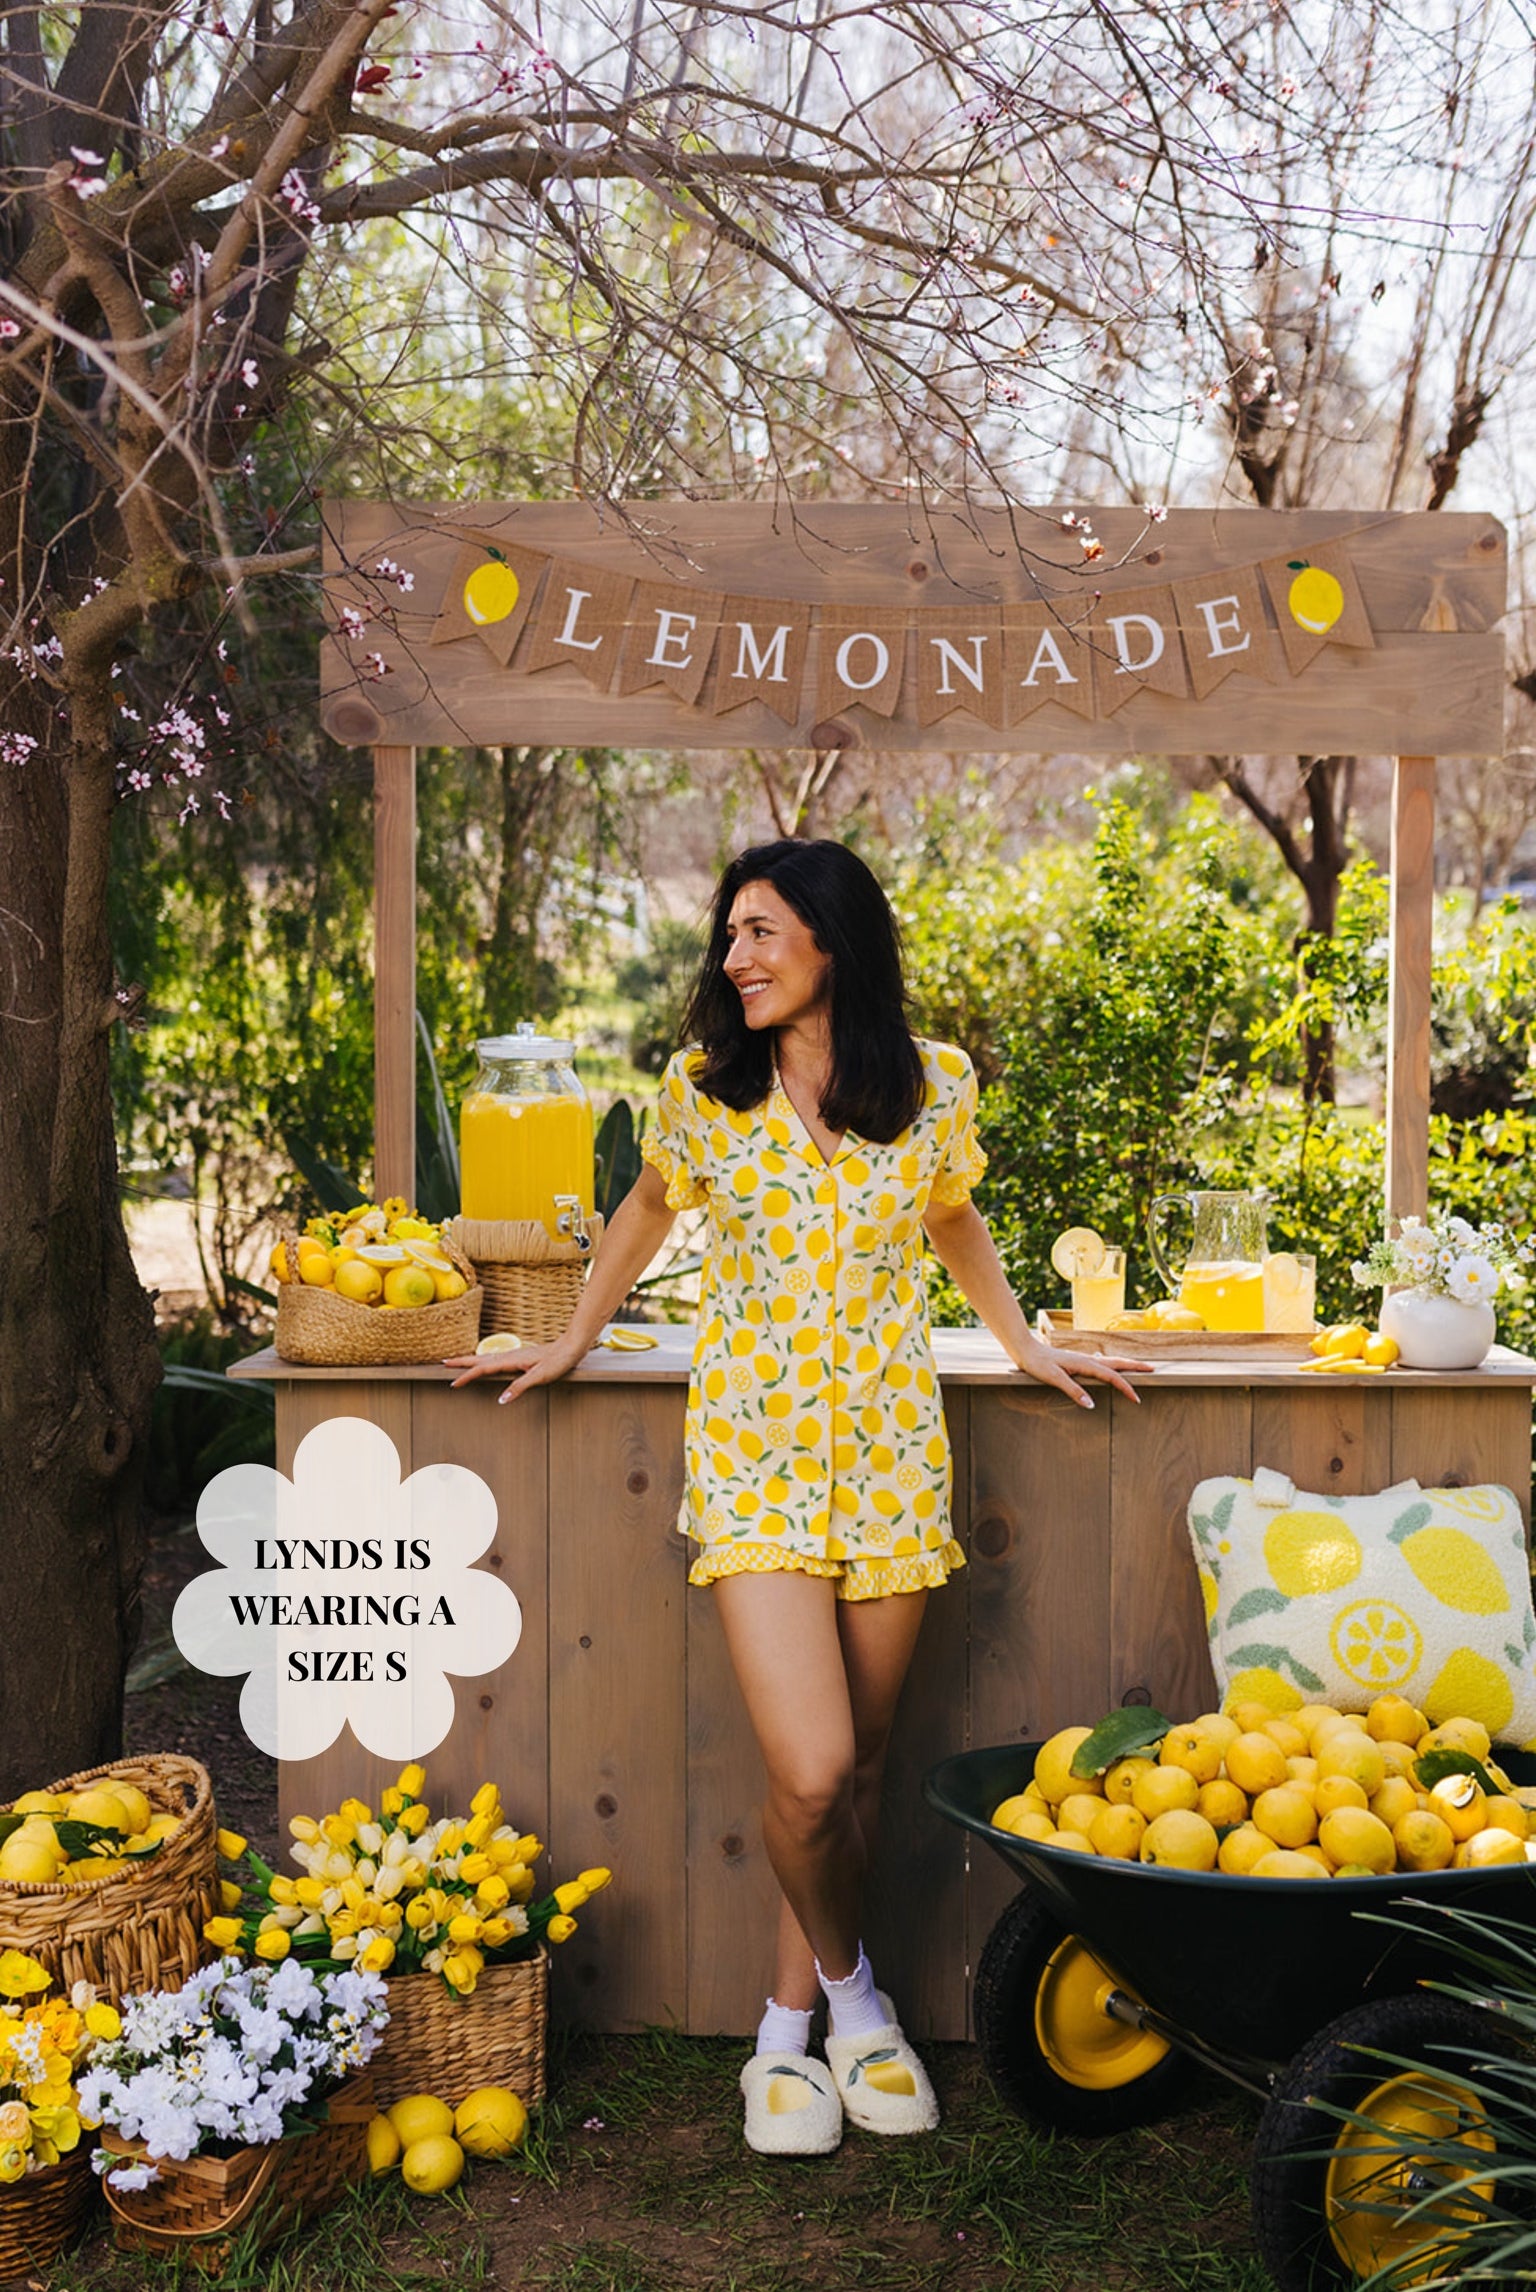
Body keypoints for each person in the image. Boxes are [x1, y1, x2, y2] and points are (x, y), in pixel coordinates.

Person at [449, 838, 1146, 2155]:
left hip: (891, 1450)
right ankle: (853, 1999)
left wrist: (1030, 1346)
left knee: (861, 1769)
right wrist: (568, 1341)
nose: (736, 957)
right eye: (732, 934)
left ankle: (786, 2033)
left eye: (761, 931)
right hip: (755, 1455)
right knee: (812, 1769)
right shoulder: (708, 1091)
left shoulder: (933, 1081)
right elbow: (645, 1212)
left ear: (833, 938)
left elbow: (955, 1225)